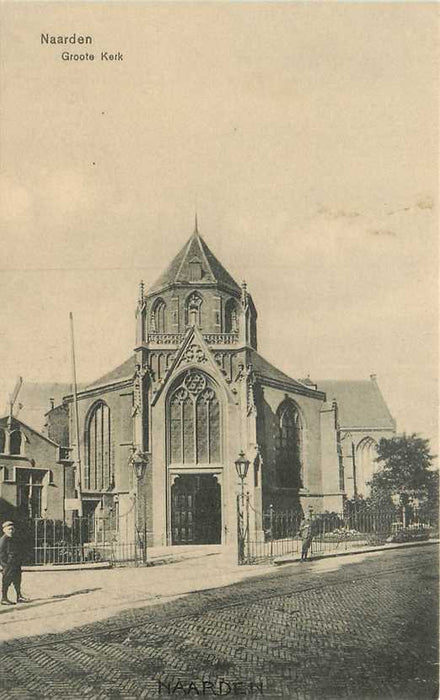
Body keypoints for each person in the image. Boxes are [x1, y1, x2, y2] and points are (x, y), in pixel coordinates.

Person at [0, 521, 28, 605]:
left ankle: (19, 596)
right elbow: (1, 554)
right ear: (4, 530)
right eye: (9, 529)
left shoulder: (13, 538)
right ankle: (4, 598)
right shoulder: (3, 540)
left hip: (15, 564)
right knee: (6, 581)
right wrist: (5, 565)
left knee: (17, 580)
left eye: (12, 529)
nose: (11, 531)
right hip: (8, 565)